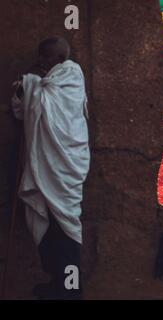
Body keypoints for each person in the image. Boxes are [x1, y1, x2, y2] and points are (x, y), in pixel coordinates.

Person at [10, 37, 90, 300]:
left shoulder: (70, 78)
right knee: (48, 226)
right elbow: (26, 108)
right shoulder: (46, 83)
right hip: (47, 164)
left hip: (65, 167)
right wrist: (28, 87)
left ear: (58, 59)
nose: (40, 61)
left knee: (66, 229)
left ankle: (70, 289)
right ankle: (57, 281)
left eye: (44, 56)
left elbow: (49, 104)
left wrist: (28, 84)